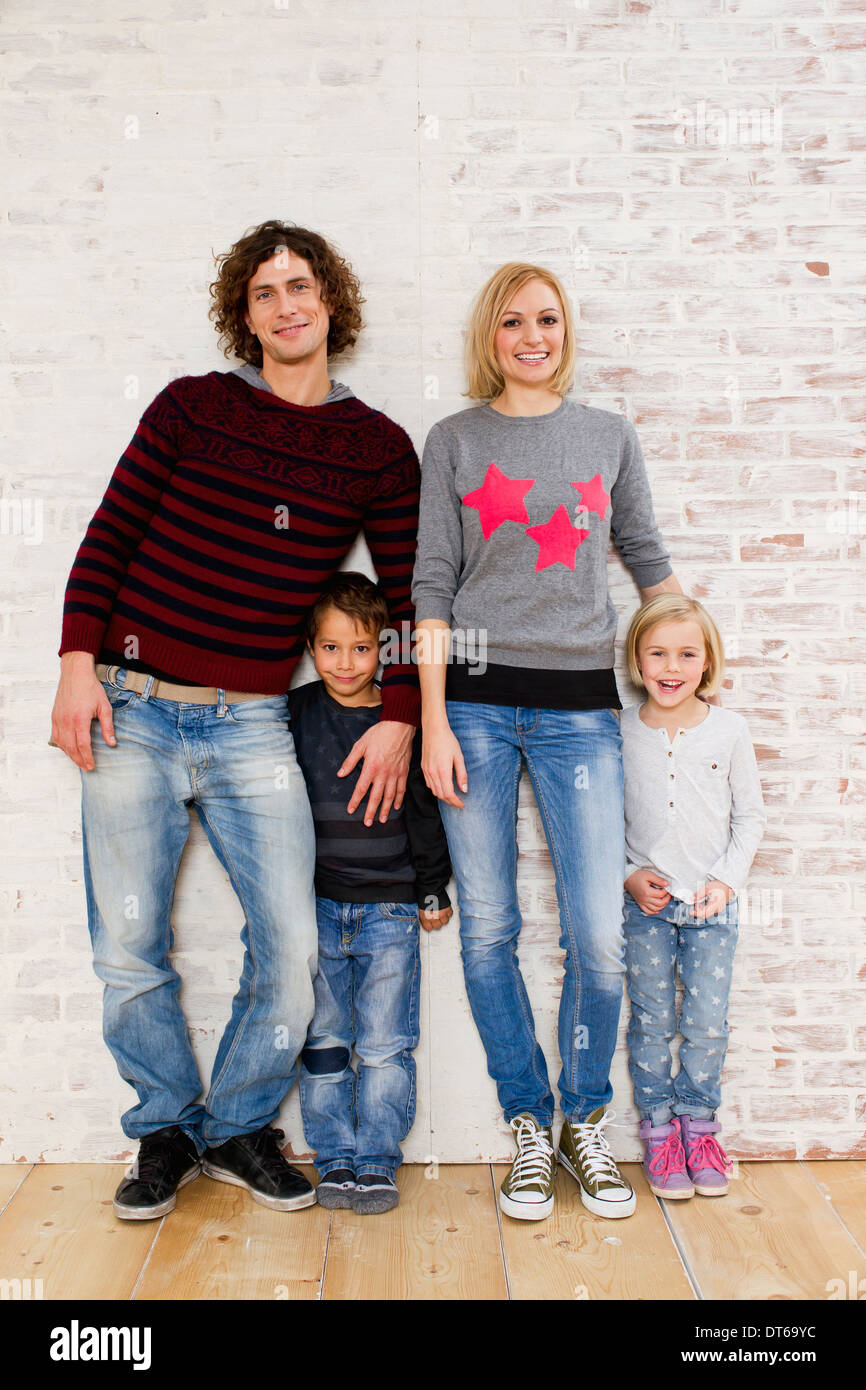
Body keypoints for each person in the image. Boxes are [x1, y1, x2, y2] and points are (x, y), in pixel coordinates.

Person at [50, 220, 422, 1220]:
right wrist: (74, 667)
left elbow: (411, 593)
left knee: (293, 943)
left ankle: (238, 1125)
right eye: (264, 291)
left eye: (300, 285)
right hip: (129, 712)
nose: (286, 303)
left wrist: (398, 716)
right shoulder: (190, 407)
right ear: (243, 313)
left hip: (253, 724)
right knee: (128, 947)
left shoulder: (376, 449)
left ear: (331, 302)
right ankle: (166, 1126)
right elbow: (108, 536)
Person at [412, 261, 684, 1221]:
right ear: (490, 334)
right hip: (475, 713)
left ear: (566, 332)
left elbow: (647, 560)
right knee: (490, 929)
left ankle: (585, 1123)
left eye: (550, 320)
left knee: (599, 939)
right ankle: (529, 1122)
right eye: (515, 322)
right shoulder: (452, 440)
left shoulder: (607, 435)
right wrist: (434, 719)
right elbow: (431, 588)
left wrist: (686, 665)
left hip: (582, 714)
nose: (534, 336)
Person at [289, 573, 452, 1214]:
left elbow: (422, 809)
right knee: (325, 1037)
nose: (346, 663)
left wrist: (432, 887)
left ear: (383, 650)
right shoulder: (296, 712)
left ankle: (378, 1158)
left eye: (361, 648)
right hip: (318, 905)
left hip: (390, 908)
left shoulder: (398, 721)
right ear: (310, 648)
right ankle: (332, 1157)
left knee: (385, 1042)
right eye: (331, 648)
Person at [620, 595, 766, 1198]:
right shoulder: (620, 729)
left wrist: (726, 881)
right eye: (657, 653)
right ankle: (658, 1133)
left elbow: (751, 817)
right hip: (647, 904)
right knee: (652, 1021)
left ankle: (700, 1128)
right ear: (637, 660)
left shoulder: (729, 730)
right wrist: (629, 874)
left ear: (707, 663)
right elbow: (602, 818)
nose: (671, 666)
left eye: (686, 653)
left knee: (705, 1024)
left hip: (713, 905)